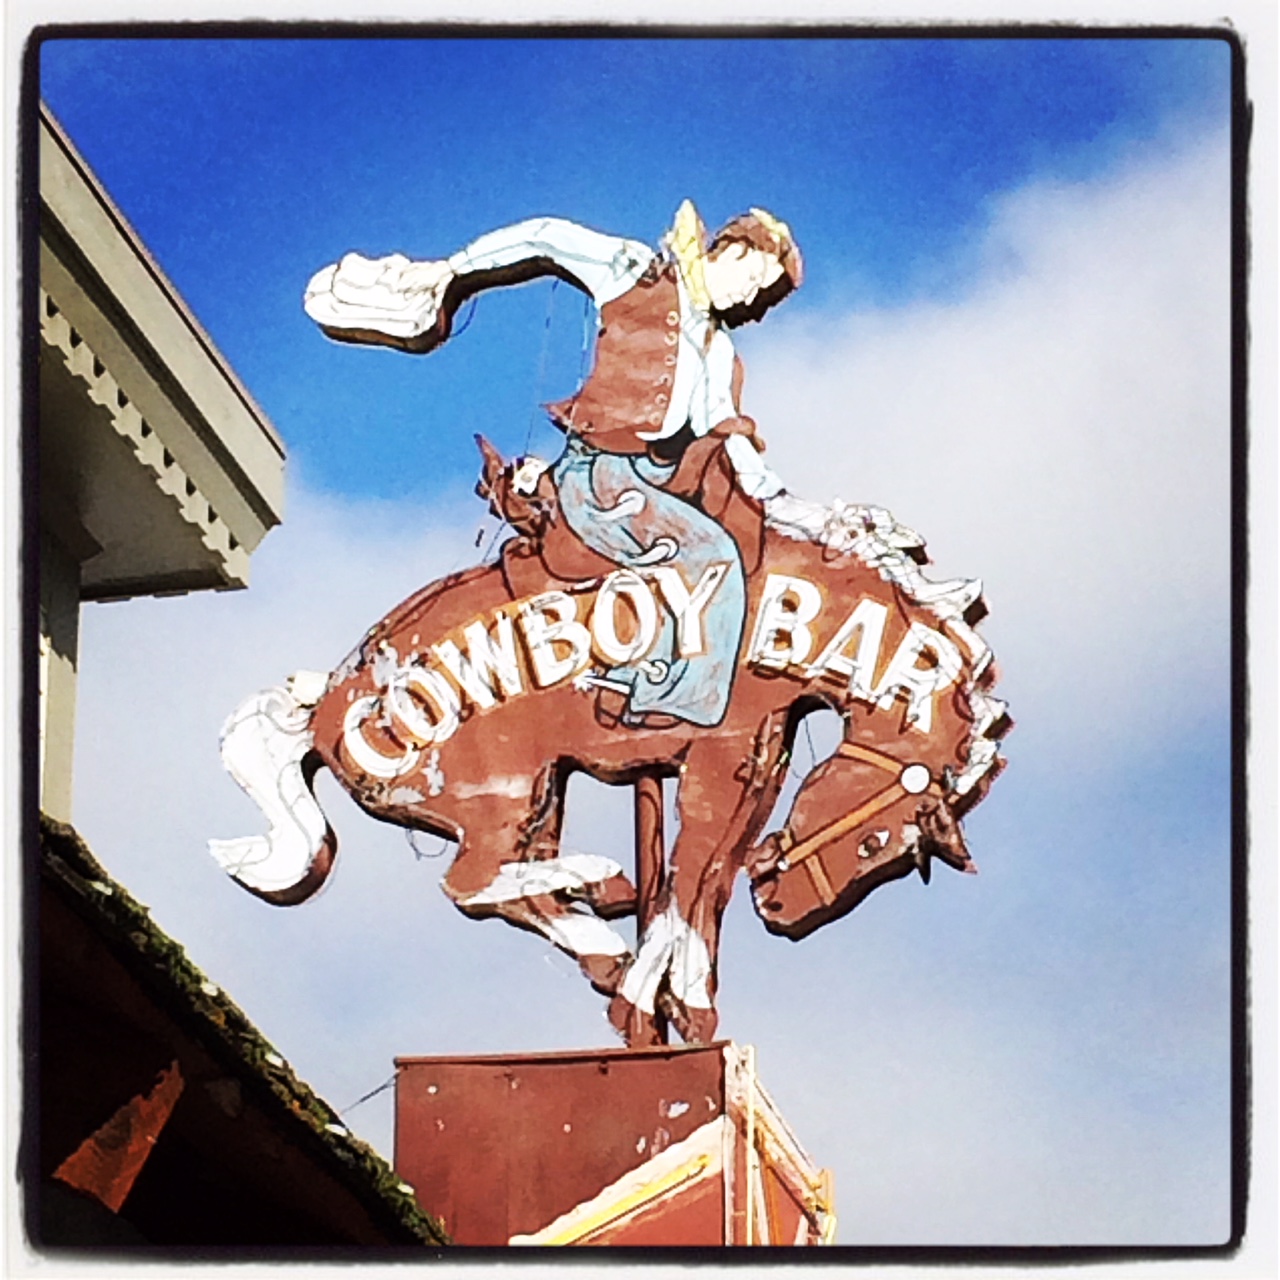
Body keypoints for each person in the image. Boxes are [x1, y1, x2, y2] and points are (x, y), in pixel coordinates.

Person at [304, 201, 803, 727]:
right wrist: (453, 270)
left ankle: (646, 664)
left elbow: (729, 436)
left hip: (659, 482)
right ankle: (672, 700)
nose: (748, 296)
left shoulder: (718, 351)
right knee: (711, 552)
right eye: (754, 278)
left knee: (727, 543)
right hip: (603, 475)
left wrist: (788, 510)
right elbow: (548, 238)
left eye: (759, 292)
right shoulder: (636, 271)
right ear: (734, 250)